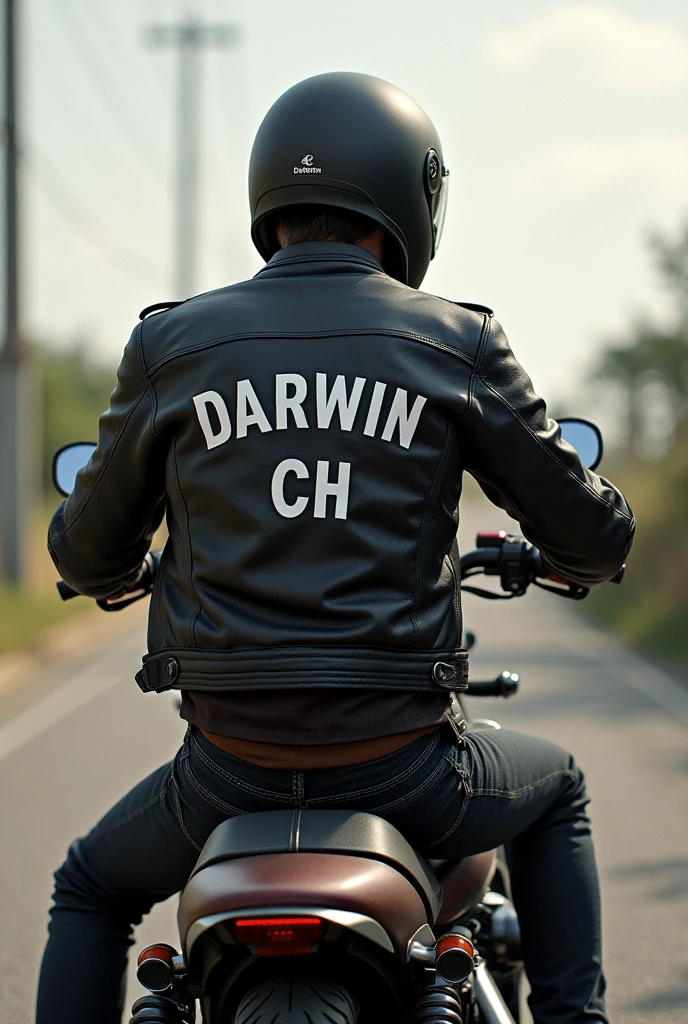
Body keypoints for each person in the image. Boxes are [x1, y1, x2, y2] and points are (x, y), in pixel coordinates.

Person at [37, 73, 634, 1024]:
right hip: (410, 771)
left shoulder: (172, 347)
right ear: (411, 196)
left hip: (223, 769)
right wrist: (586, 543)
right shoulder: (457, 342)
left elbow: (86, 553)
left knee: (90, 889)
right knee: (556, 786)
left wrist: (109, 572)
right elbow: (592, 536)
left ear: (268, 199)